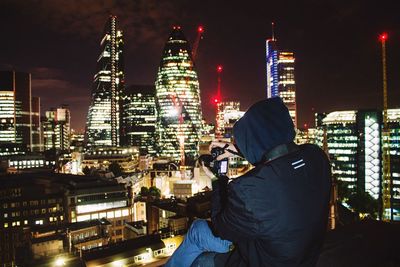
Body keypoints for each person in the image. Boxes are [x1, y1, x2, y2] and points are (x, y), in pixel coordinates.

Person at [165, 97, 331, 267]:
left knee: (201, 258)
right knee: (199, 229)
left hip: (263, 259)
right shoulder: (317, 157)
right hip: (303, 254)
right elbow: (282, 156)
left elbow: (221, 228)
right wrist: (239, 150)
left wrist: (217, 179)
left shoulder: (249, 189)